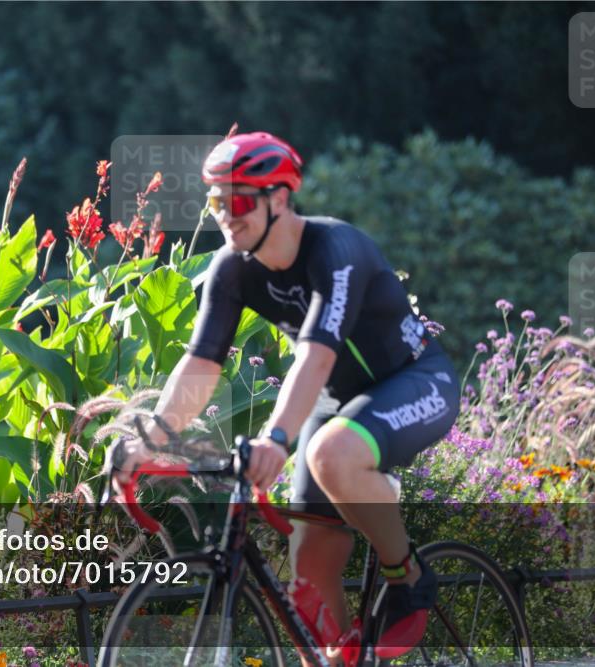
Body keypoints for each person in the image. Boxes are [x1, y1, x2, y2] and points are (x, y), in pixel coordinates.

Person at [112, 132, 460, 662]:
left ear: (279, 198)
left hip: (414, 381)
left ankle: (407, 575)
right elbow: (202, 364)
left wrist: (276, 439)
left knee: (329, 454)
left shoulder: (336, 249)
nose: (227, 215)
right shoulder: (230, 269)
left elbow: (316, 356)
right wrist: (153, 439)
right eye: (216, 202)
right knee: (309, 585)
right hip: (338, 401)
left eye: (241, 201)